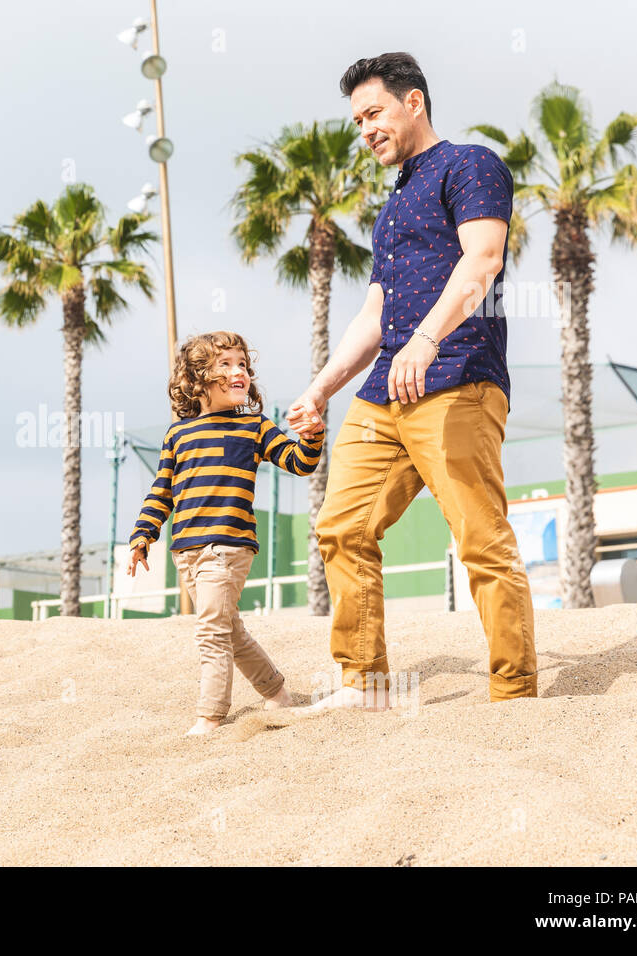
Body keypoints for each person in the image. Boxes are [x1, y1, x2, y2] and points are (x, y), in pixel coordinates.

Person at [287, 52, 538, 709]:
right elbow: (373, 313)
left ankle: (514, 692)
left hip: (457, 376)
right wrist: (320, 389)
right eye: (357, 121)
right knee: (341, 526)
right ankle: (363, 684)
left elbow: (483, 258)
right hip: (382, 390)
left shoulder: (470, 165)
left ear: (414, 103)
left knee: (480, 539)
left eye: (373, 113)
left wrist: (428, 338)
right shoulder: (391, 207)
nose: (365, 129)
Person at [127, 331, 325, 735]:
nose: (240, 373)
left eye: (243, 365)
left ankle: (209, 717)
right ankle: (278, 694)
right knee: (230, 630)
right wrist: (142, 535)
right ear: (197, 380)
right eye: (226, 365)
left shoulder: (254, 426)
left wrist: (312, 436)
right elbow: (161, 491)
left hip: (228, 547)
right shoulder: (177, 436)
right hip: (187, 552)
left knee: (211, 632)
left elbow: (299, 462)